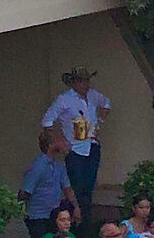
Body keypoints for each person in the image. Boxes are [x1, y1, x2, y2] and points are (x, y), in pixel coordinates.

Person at [44, 67, 111, 218]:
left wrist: (100, 120)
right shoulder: (64, 99)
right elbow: (47, 121)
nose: (85, 84)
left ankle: (85, 222)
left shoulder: (93, 95)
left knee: (88, 188)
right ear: (73, 83)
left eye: (86, 80)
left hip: (92, 145)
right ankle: (74, 220)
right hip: (75, 149)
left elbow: (106, 103)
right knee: (77, 187)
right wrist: (59, 141)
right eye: (81, 81)